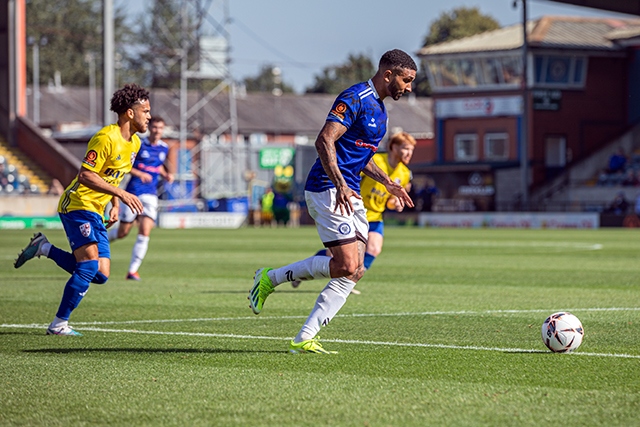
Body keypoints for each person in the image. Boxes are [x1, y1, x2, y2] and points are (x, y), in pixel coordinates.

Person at [248, 49, 416, 354]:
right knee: (347, 263)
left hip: (349, 191)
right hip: (327, 187)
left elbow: (361, 157)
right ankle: (270, 279)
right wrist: (339, 183)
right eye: (406, 80)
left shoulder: (381, 111)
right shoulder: (355, 97)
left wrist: (388, 182)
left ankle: (305, 337)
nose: (408, 87)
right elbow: (324, 140)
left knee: (356, 269)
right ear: (388, 74)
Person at [13, 84, 149, 336]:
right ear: (130, 113)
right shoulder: (105, 138)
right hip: (77, 204)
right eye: (145, 111)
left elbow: (113, 177)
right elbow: (85, 175)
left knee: (100, 274)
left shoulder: (135, 143)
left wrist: (114, 203)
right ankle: (58, 325)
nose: (148, 116)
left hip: (96, 209)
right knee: (87, 266)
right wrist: (120, 194)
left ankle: (44, 247)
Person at [291, 131, 416, 293]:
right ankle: (298, 274)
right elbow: (353, 176)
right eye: (406, 148)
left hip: (375, 216)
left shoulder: (405, 173)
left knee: (374, 249)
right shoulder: (376, 161)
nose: (409, 153)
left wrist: (396, 204)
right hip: (354, 211)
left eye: (411, 149)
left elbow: (391, 199)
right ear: (393, 147)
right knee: (335, 257)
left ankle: (348, 281)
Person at [108, 116, 174, 280]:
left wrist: (166, 175)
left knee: (145, 232)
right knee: (123, 232)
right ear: (150, 127)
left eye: (160, 128)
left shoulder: (164, 148)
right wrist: (140, 173)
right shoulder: (138, 144)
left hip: (150, 195)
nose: (157, 130)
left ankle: (132, 271)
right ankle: (99, 241)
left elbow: (156, 167)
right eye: (154, 127)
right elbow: (126, 166)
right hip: (133, 193)